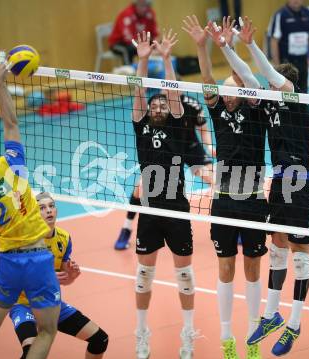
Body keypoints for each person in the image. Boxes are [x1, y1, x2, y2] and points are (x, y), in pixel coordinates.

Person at [0, 60, 60, 359]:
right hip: (38, 259)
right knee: (47, 331)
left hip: (6, 264)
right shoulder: (10, 167)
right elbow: (11, 123)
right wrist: (0, 84)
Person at [231, 16, 309, 356]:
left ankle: (294, 324)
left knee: (300, 253)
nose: (267, 86)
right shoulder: (268, 102)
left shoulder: (295, 98)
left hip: (302, 182)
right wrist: (226, 46)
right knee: (277, 243)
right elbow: (250, 77)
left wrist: (251, 43)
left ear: (284, 83)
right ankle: (271, 314)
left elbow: (266, 75)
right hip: (279, 180)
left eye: (274, 82)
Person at [183, 15, 268, 359]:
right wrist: (202, 46)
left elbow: (246, 77)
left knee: (252, 267)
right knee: (226, 268)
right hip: (224, 200)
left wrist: (231, 46)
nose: (228, 95)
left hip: (253, 199)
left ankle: (251, 336)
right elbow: (205, 79)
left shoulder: (257, 108)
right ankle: (227, 337)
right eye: (226, 91)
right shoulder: (218, 112)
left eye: (235, 89)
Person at [131, 29, 199, 359]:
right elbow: (138, 91)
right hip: (149, 209)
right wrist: (144, 60)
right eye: (154, 102)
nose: (157, 105)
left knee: (183, 273)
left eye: (162, 102)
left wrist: (167, 59)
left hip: (176, 206)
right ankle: (141, 333)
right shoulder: (141, 125)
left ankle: (188, 334)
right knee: (144, 273)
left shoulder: (176, 124)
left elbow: (173, 94)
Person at [9, 192, 109, 359]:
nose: (48, 210)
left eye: (51, 206)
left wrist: (71, 275)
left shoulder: (64, 238)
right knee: (32, 353)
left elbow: (63, 279)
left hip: (51, 304)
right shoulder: (24, 239)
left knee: (100, 339)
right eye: (42, 208)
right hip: (23, 304)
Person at [115, 93, 215, 250]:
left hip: (190, 148)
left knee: (215, 180)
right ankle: (126, 228)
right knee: (139, 187)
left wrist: (209, 146)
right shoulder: (156, 104)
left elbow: (202, 128)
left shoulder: (192, 104)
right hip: (167, 148)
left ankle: (229, 225)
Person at [268, 0, 309, 93]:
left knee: (304, 94)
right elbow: (274, 41)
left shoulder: (308, 13)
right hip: (287, 65)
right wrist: (278, 67)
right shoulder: (281, 15)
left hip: (303, 63)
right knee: (288, 95)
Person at [109, 0, 159, 65]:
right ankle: (129, 72)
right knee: (128, 50)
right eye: (141, 5)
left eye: (146, 5)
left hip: (140, 41)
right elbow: (128, 38)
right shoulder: (127, 14)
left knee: (160, 45)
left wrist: (156, 46)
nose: (144, 8)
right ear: (135, 4)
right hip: (119, 43)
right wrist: (145, 48)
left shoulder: (150, 13)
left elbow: (155, 33)